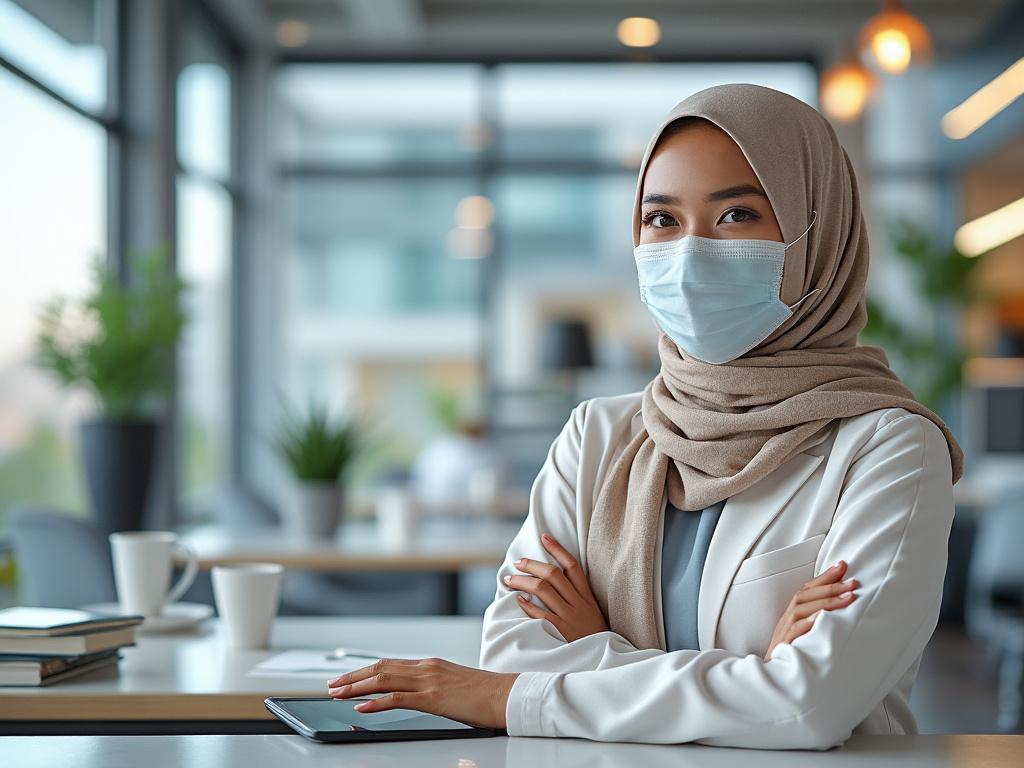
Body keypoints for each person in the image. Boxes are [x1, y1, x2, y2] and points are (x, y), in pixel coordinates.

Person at [325, 83, 964, 751]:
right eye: (662, 219)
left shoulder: (891, 446)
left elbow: (807, 709)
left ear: (819, 233)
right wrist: (752, 679)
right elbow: (515, 658)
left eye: (738, 215)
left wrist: (580, 656)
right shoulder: (595, 435)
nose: (689, 253)